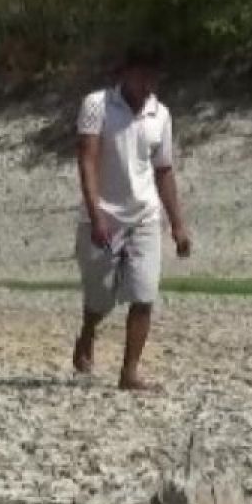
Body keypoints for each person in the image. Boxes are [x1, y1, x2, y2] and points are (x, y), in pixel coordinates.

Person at [72, 44, 192, 391]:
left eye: (153, 76)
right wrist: (96, 217)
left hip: (144, 216)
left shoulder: (161, 115)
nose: (147, 83)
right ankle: (88, 331)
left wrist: (178, 225)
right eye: (141, 74)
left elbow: (164, 170)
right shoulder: (97, 105)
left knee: (143, 293)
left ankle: (129, 372)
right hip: (103, 215)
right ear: (125, 72)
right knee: (101, 297)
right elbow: (87, 160)